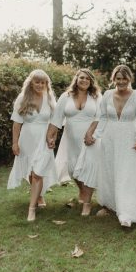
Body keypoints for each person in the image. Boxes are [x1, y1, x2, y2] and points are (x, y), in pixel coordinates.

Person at [85, 65, 136, 228]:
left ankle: (127, 212)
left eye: (124, 78)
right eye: (118, 78)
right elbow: (103, 117)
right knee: (110, 170)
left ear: (130, 79)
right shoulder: (107, 95)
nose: (121, 82)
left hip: (129, 137)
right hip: (110, 138)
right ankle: (109, 204)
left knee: (128, 173)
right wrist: (96, 135)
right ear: (114, 79)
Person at [46, 69, 101, 216]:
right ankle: (83, 191)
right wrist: (50, 136)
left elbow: (99, 117)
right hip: (70, 138)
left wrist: (90, 132)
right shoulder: (66, 96)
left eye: (87, 79)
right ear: (76, 79)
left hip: (91, 137)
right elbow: (56, 118)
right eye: (81, 78)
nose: (84, 81)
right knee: (73, 168)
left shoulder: (96, 96)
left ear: (91, 82)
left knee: (89, 167)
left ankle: (87, 204)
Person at [7, 69, 57, 222]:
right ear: (31, 83)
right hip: (27, 139)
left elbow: (55, 122)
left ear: (46, 84)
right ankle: (39, 196)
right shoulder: (23, 98)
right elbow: (16, 124)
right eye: (37, 82)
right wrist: (15, 143)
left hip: (44, 140)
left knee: (37, 173)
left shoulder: (50, 98)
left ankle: (32, 209)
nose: (40, 85)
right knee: (31, 171)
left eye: (43, 82)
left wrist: (52, 138)